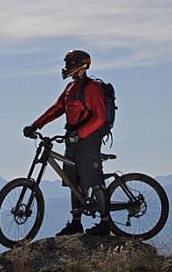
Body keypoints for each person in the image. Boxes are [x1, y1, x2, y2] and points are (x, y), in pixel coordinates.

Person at [23, 50, 110, 236]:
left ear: (81, 65)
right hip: (73, 138)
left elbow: (100, 117)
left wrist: (80, 133)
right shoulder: (71, 88)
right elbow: (57, 109)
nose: (66, 67)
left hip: (89, 138)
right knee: (72, 180)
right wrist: (35, 125)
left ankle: (105, 223)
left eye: (70, 63)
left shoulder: (93, 87)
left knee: (93, 179)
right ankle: (76, 223)